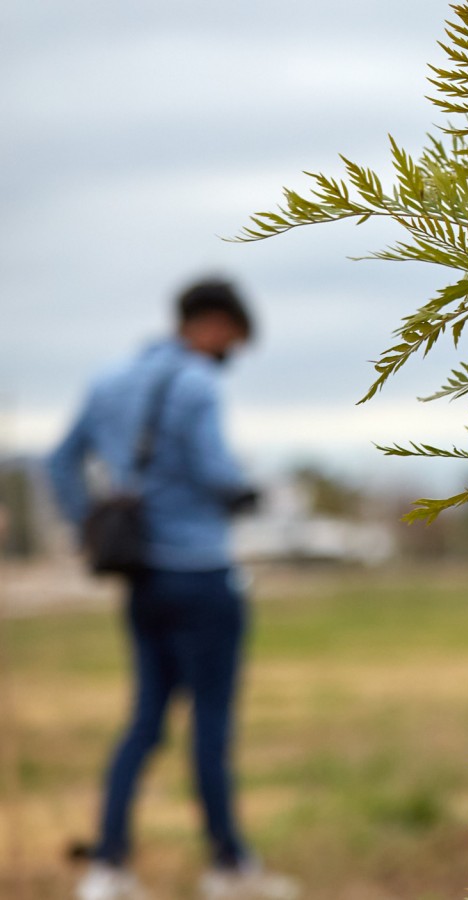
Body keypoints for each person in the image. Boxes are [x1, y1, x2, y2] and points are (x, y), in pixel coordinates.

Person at [48, 279, 296, 900]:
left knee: (144, 722)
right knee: (210, 724)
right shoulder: (197, 383)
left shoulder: (110, 379)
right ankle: (229, 867)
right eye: (231, 342)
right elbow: (215, 470)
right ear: (211, 325)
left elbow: (59, 461)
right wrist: (250, 492)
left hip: (141, 577)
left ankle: (108, 867)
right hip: (202, 572)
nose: (228, 355)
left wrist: (91, 525)